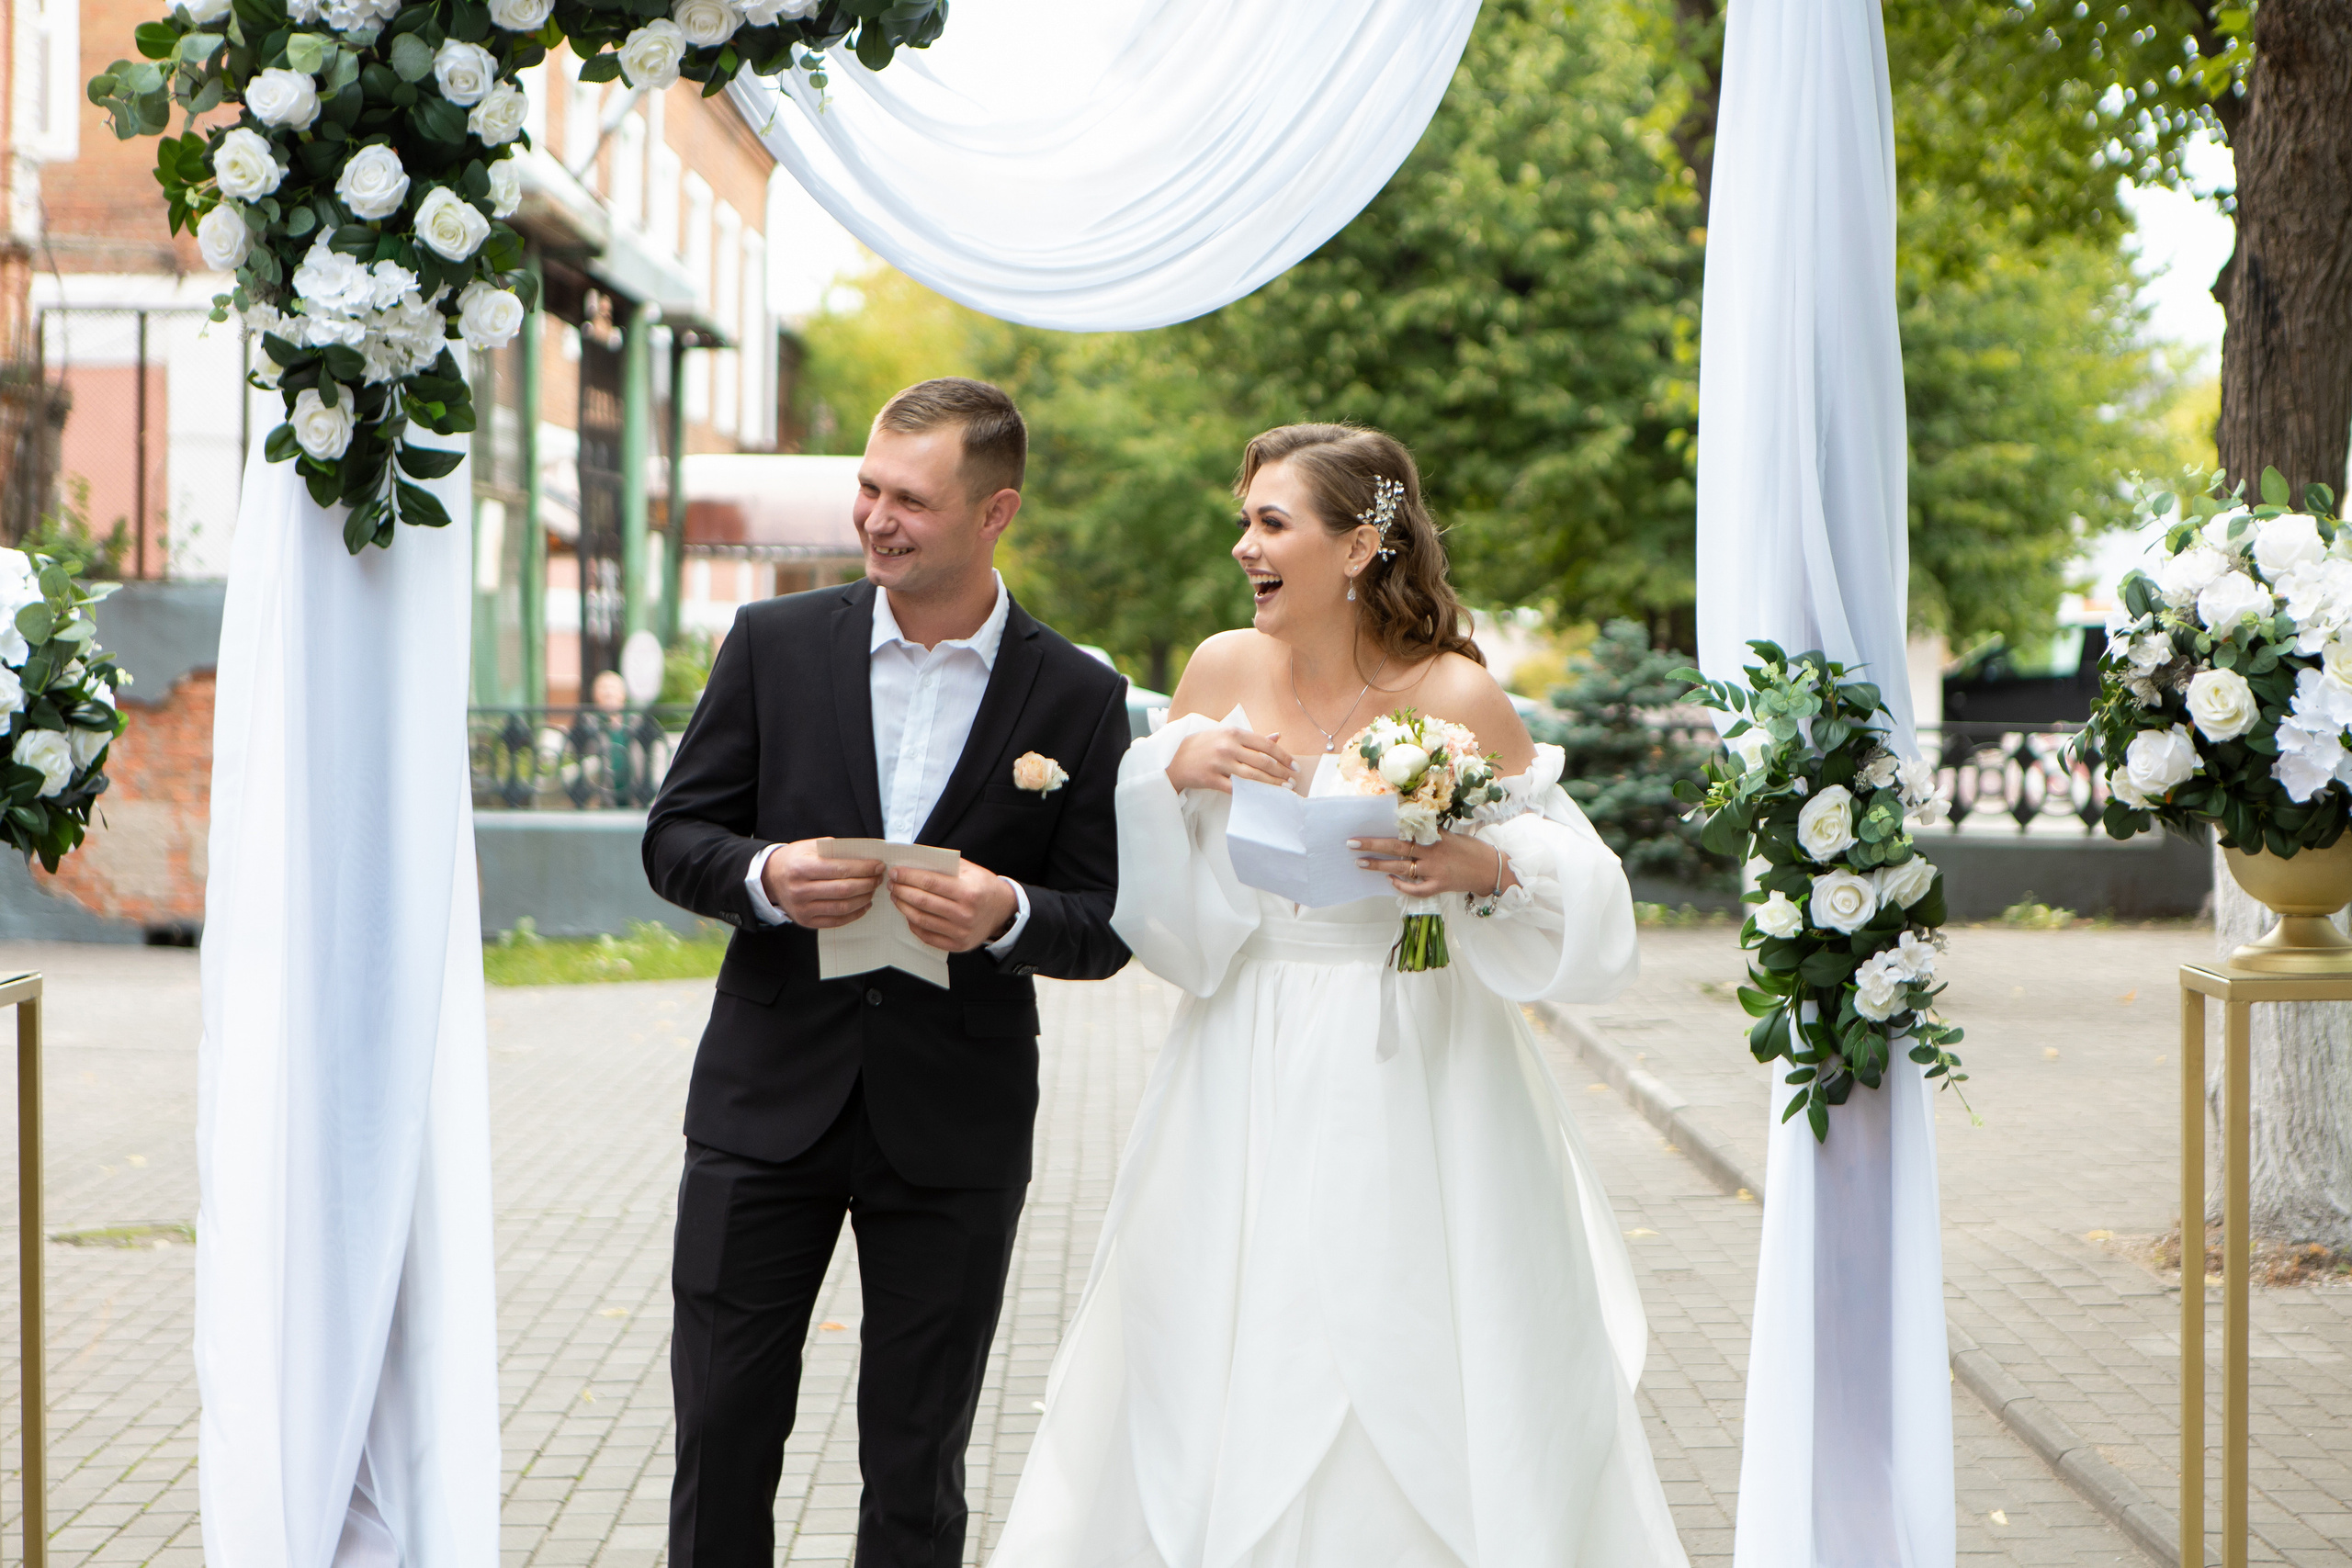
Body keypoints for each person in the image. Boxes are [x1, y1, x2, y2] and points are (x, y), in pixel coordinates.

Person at [990, 423, 1689, 1567]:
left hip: (1415, 1052)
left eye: (1271, 523)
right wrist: (1172, 772)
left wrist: (1488, 867)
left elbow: (1590, 891)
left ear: (1359, 545)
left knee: (1410, 1322)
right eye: (1244, 519)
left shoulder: (1454, 692)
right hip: (1242, 1043)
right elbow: (1151, 898)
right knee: (1220, 1321)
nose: (1243, 547)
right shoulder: (1218, 671)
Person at [643, 378, 1133, 1568]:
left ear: (993, 511)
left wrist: (1005, 909)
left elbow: (1110, 920)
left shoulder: (1076, 692)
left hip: (953, 1124)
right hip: (765, 1105)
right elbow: (674, 837)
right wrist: (766, 876)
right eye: (867, 487)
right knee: (722, 1427)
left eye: (909, 498)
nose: (875, 517)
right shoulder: (772, 644)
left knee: (917, 1458)